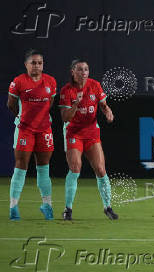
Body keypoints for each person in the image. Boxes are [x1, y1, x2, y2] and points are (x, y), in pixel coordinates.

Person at [59, 59, 118, 220]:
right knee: (75, 168)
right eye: (80, 69)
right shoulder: (66, 91)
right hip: (74, 133)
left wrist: (108, 112)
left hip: (92, 132)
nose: (83, 72)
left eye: (86, 69)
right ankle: (68, 209)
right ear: (73, 72)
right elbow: (65, 117)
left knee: (100, 169)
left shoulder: (94, 85)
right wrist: (75, 105)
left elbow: (103, 105)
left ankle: (108, 207)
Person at [7, 49, 57, 220]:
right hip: (25, 130)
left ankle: (47, 205)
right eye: (33, 62)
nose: (37, 65)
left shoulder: (51, 81)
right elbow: (11, 104)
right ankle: (13, 207)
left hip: (44, 130)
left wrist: (40, 118)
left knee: (44, 168)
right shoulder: (18, 82)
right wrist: (22, 118)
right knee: (21, 167)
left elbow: (49, 102)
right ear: (26, 64)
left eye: (40, 63)